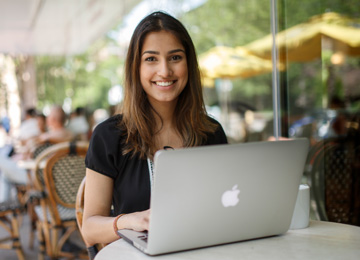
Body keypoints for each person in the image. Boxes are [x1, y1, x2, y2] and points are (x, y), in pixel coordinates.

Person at [82, 11, 228, 247]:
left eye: (175, 57)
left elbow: (227, 206)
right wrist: (129, 221)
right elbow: (89, 230)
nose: (165, 71)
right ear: (136, 67)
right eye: (151, 59)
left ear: (188, 64)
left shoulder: (211, 132)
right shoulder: (109, 136)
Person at [0, 105, 73, 201]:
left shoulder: (45, 139)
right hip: (64, 182)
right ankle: (4, 206)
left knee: (2, 162)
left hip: (41, 180)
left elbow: (28, 154)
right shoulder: (72, 136)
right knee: (5, 176)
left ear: (53, 119)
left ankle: (4, 208)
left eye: (48, 116)